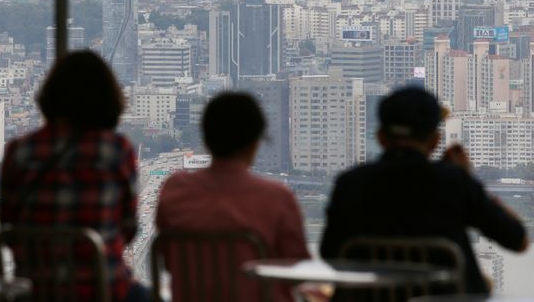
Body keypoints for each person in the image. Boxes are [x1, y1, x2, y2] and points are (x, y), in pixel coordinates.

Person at [320, 86, 528, 294]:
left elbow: (329, 253)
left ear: (381, 137)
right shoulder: (454, 183)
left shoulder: (350, 183)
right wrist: (468, 179)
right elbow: (518, 240)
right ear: (435, 141)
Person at [0, 51, 148, 302]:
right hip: (103, 291)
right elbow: (128, 229)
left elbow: (9, 226)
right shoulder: (116, 150)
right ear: (108, 99)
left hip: (35, 293)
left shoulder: (20, 151)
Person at [156, 92, 310, 302]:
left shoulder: (175, 191)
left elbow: (168, 261)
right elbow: (298, 270)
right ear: (255, 143)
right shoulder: (277, 198)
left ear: (207, 139)